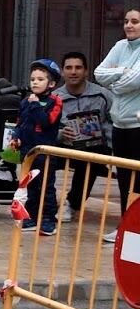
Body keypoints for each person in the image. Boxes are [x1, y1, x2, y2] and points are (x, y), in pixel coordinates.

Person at [54, 51, 115, 232]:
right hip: (63, 147)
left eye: (78, 67)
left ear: (86, 71)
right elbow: (42, 127)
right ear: (63, 72)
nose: (73, 72)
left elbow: (117, 120)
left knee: (91, 157)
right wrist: (60, 134)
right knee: (40, 156)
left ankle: (72, 203)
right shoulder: (54, 98)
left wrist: (108, 140)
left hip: (96, 149)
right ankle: (42, 204)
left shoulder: (102, 95)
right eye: (69, 68)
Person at [95, 8, 140, 242]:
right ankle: (125, 227)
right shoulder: (120, 46)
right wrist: (122, 71)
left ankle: (137, 231)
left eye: (135, 21)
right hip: (119, 125)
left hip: (138, 125)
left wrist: (117, 82)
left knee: (139, 181)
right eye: (126, 21)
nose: (129, 26)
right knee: (123, 180)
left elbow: (133, 81)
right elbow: (99, 73)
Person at [11, 58, 64, 238]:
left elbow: (47, 121)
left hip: (45, 152)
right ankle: (31, 217)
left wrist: (35, 105)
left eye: (40, 79)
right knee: (30, 186)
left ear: (52, 83)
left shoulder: (55, 101)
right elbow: (20, 123)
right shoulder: (25, 101)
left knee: (46, 187)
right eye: (33, 79)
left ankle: (48, 218)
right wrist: (16, 137)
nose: (35, 82)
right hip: (27, 152)